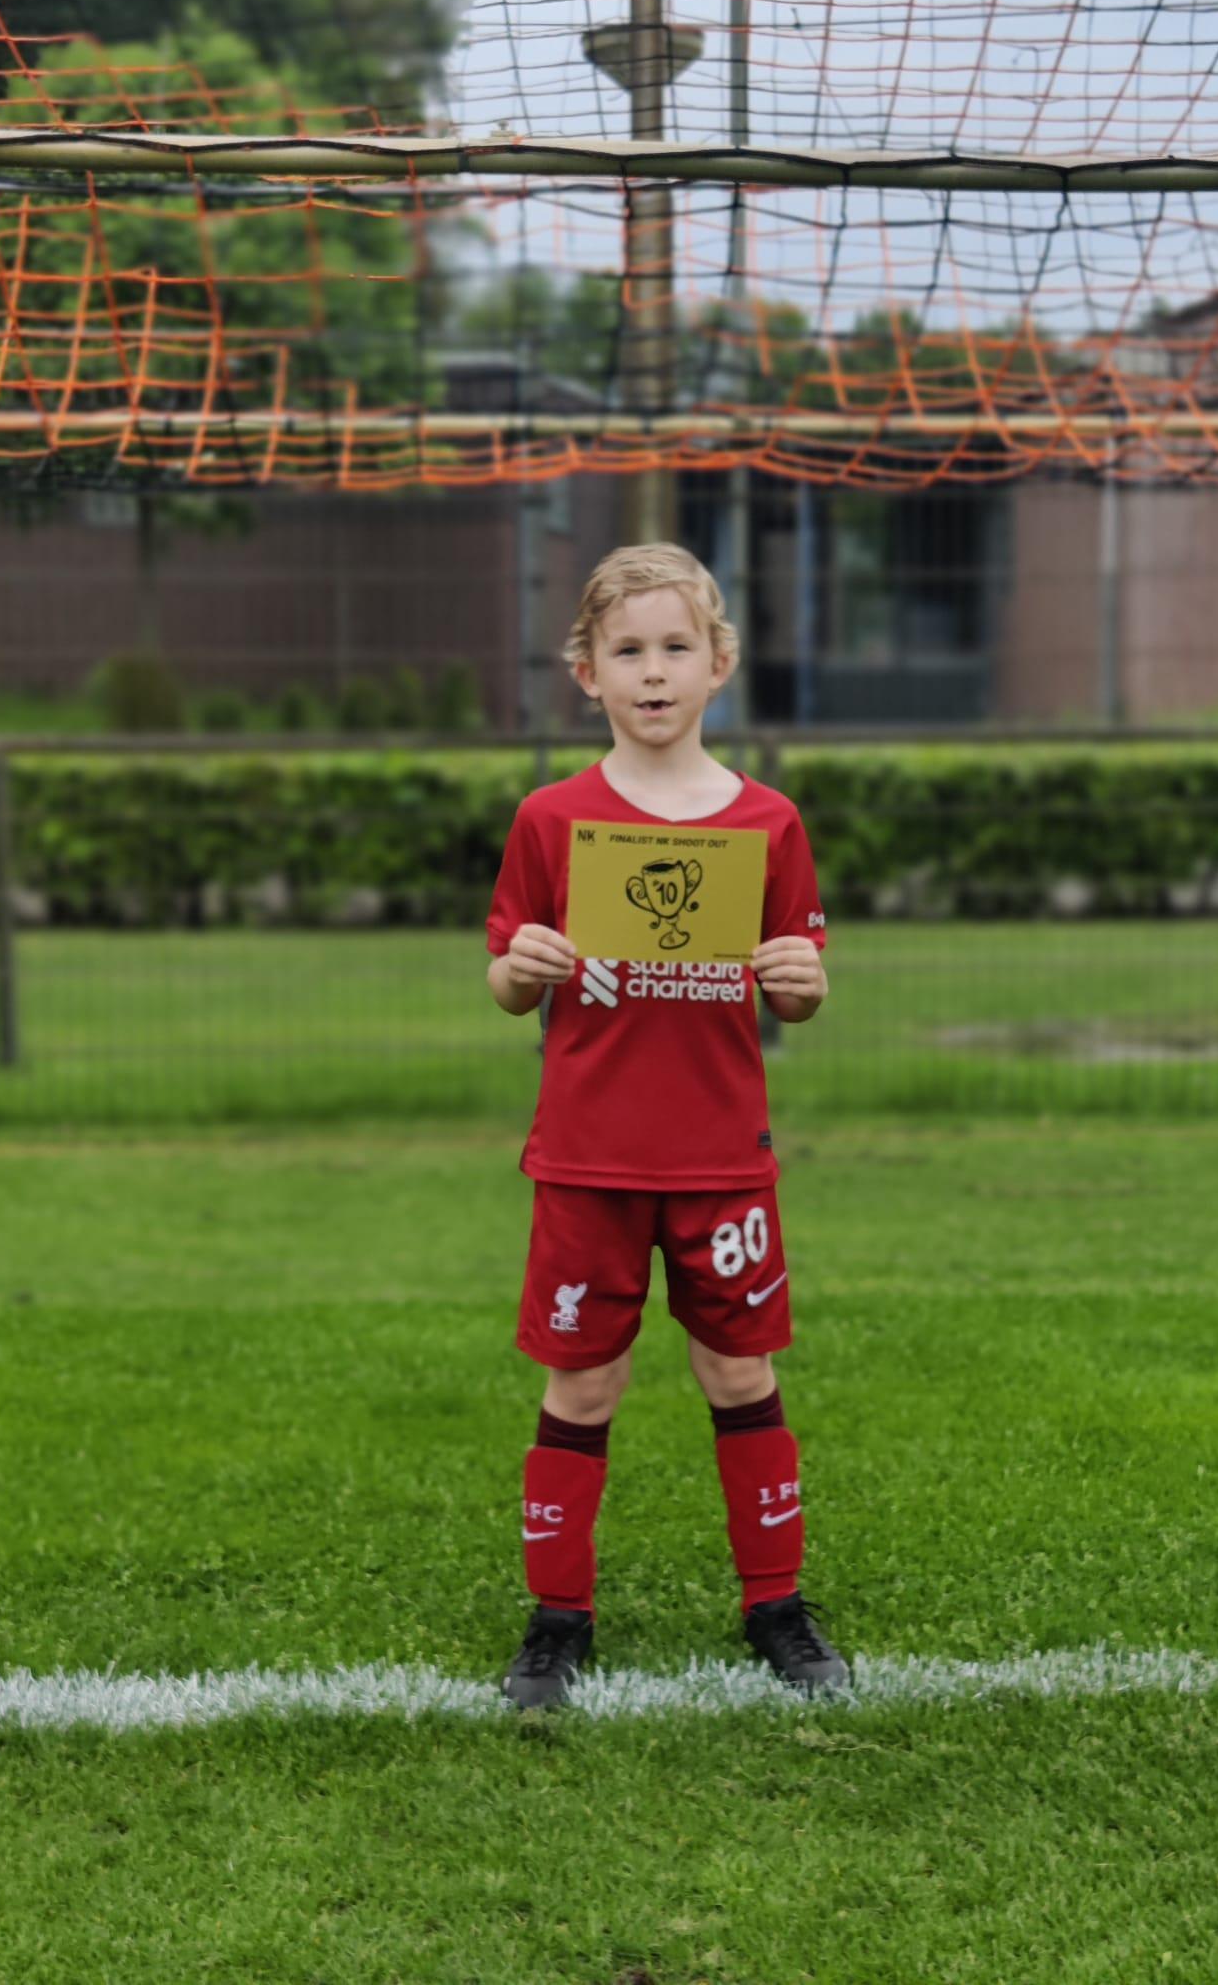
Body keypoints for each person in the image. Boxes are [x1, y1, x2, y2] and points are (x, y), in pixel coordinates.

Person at [484, 540, 849, 1708]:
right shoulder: (551, 818)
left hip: (720, 1157)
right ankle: (558, 1619)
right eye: (627, 650)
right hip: (587, 1158)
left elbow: (800, 982)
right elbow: (507, 978)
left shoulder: (768, 821)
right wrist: (521, 966)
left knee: (739, 1369)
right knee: (583, 1384)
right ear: (586, 671)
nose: (653, 670)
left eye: (676, 646)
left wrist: (803, 979)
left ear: (718, 663)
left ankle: (777, 1605)